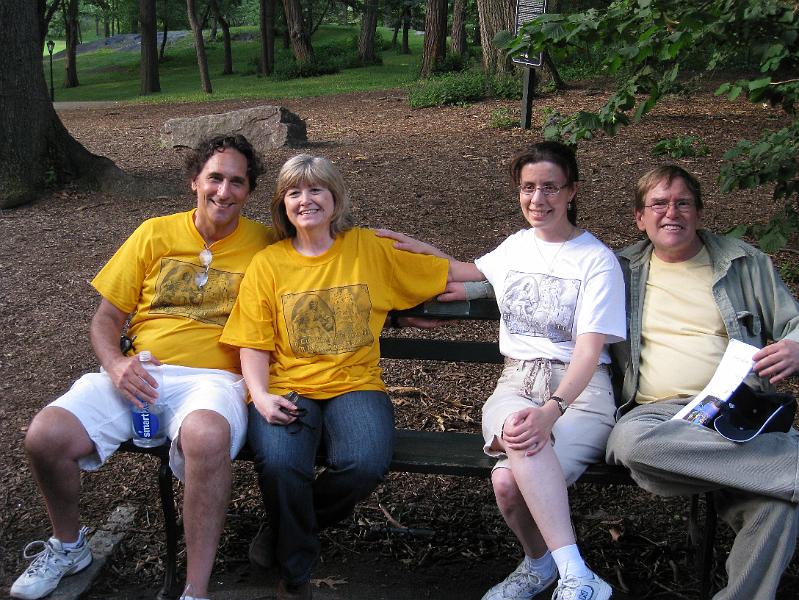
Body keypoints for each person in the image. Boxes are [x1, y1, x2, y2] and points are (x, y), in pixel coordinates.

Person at [10, 135, 276, 600]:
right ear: (194, 180)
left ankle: (195, 590)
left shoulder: (265, 244)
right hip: (141, 370)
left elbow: (329, 255)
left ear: (249, 191)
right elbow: (106, 319)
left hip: (215, 381)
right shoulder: (154, 233)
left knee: (207, 436)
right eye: (214, 177)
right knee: (45, 435)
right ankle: (70, 546)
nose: (224, 191)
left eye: (237, 182)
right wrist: (114, 364)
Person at [381, 141, 625, 600]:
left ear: (570, 191)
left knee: (509, 478)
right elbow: (465, 271)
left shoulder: (597, 260)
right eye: (528, 188)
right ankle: (564, 572)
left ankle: (555, 568)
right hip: (516, 381)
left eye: (550, 188)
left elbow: (590, 351)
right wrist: (412, 251)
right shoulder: (515, 247)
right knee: (517, 431)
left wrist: (552, 411)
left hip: (579, 391)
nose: (538, 199)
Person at [219, 154, 459, 600]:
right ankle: (295, 577)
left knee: (365, 462)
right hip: (288, 385)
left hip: (355, 384)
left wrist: (427, 255)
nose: (306, 200)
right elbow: (252, 341)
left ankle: (283, 529)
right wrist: (262, 396)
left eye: (316, 190)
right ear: (282, 205)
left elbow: (461, 273)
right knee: (281, 463)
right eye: (294, 192)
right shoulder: (269, 263)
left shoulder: (367, 248)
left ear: (335, 199)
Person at [606, 164, 799, 599]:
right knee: (633, 446)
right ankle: (790, 467)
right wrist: (460, 277)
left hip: (736, 414)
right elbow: (540, 279)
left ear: (698, 212)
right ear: (640, 218)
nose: (671, 212)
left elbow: (795, 323)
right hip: (656, 418)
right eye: (658, 203)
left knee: (778, 506)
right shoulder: (617, 269)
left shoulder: (744, 263)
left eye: (683, 203)